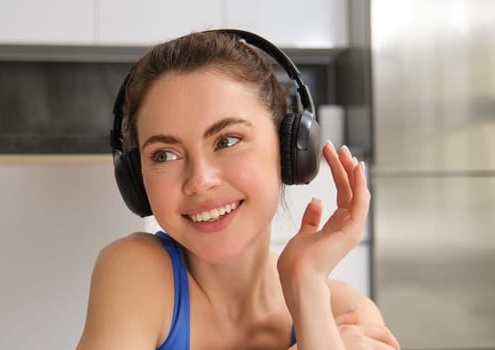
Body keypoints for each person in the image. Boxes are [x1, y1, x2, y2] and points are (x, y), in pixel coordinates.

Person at [77, 29, 399, 350]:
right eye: (164, 154)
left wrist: (306, 289)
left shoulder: (343, 311)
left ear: (289, 148)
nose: (200, 180)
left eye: (227, 140)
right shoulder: (136, 272)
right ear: (137, 177)